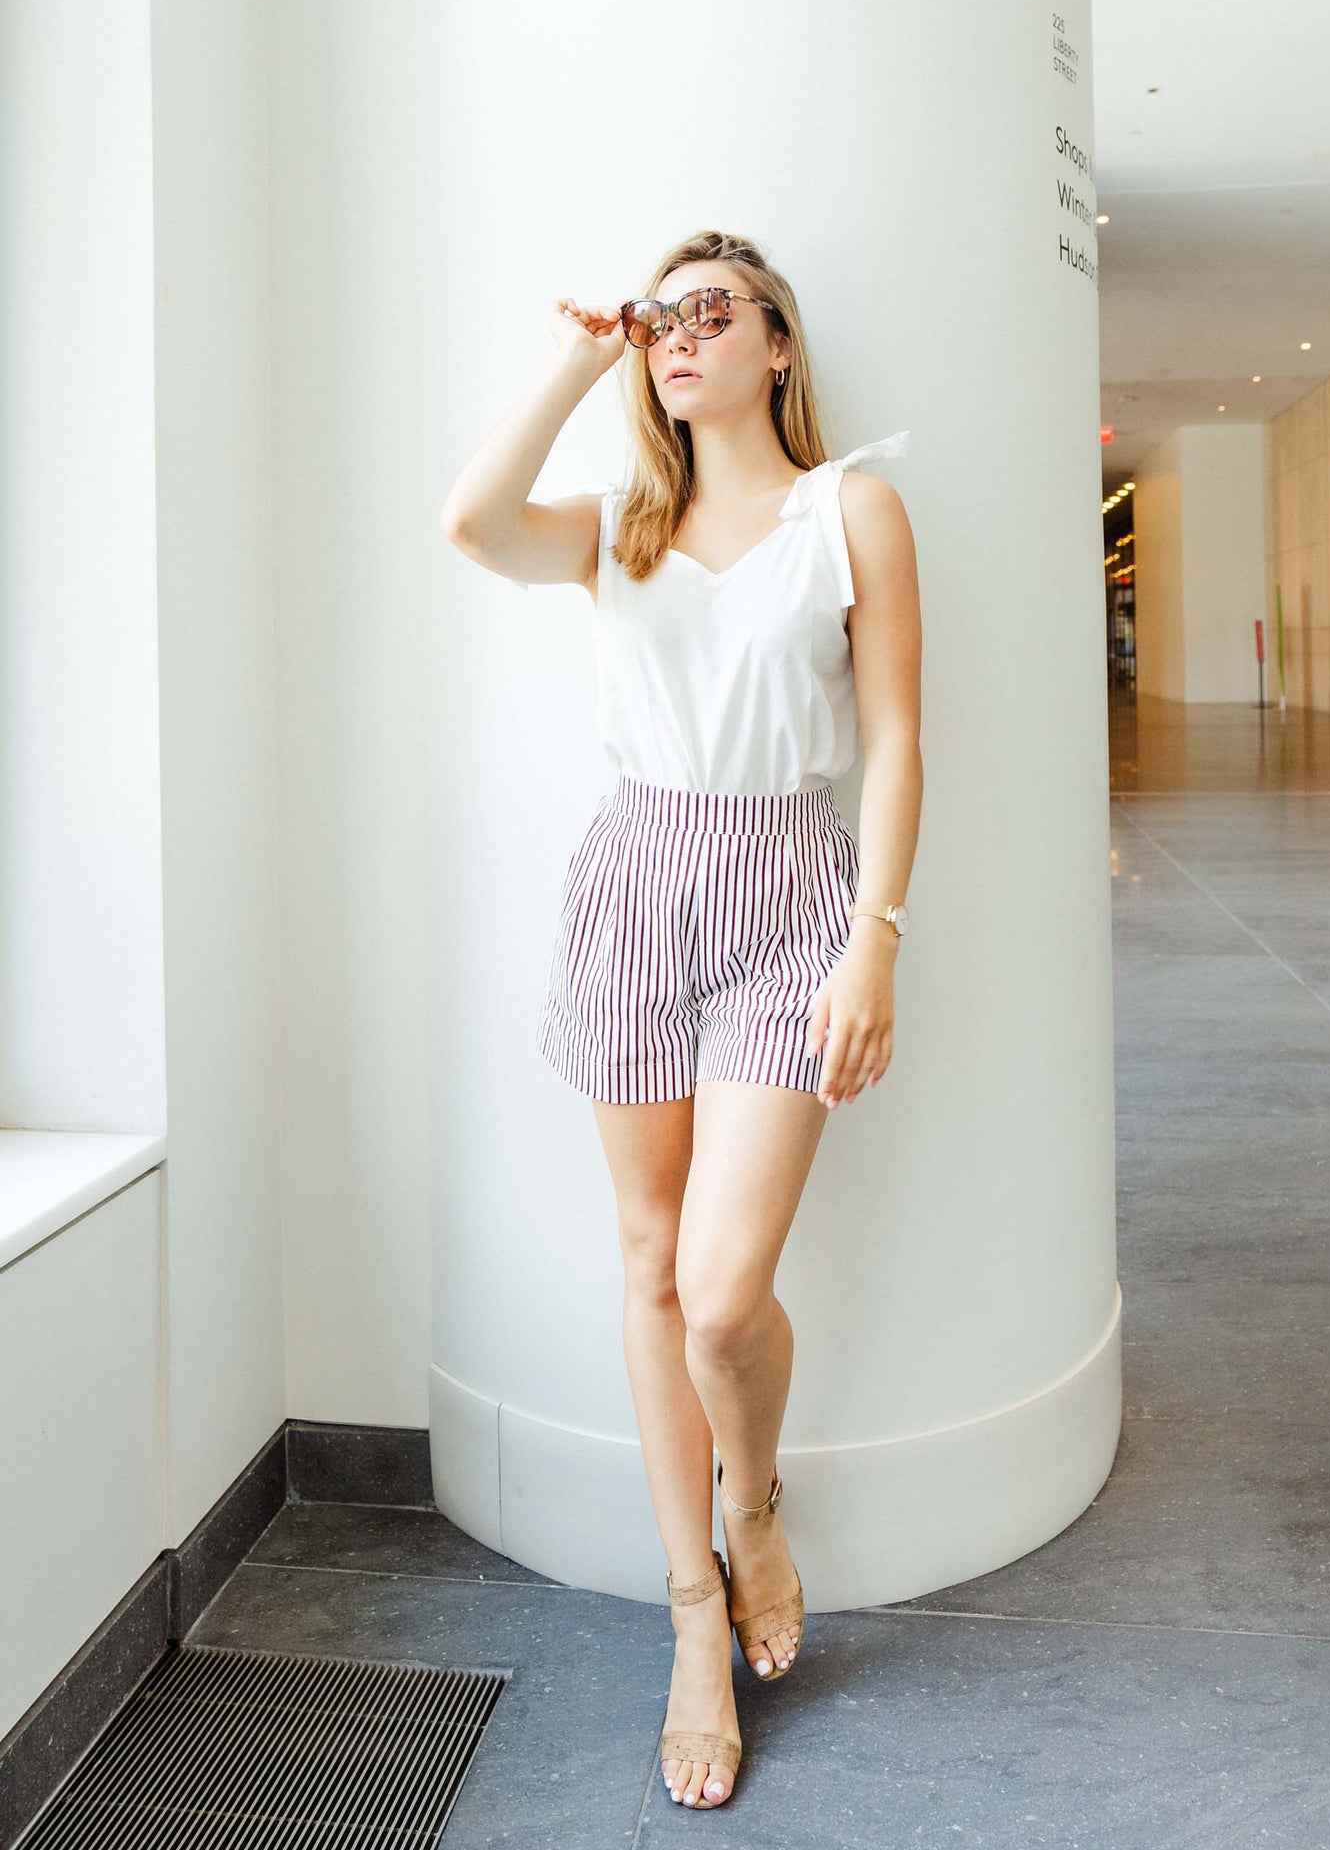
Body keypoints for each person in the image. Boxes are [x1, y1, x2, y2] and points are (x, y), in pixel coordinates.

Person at [441, 229, 923, 1811]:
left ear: (780, 344)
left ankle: (757, 1502)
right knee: (648, 1264)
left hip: (791, 889)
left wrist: (876, 943)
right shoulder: (623, 526)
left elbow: (900, 737)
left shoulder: (850, 507)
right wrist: (583, 356)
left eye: (719, 312)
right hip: (636, 885)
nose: (684, 335)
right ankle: (694, 1613)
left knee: (723, 1299)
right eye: (667, 317)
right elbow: (468, 522)